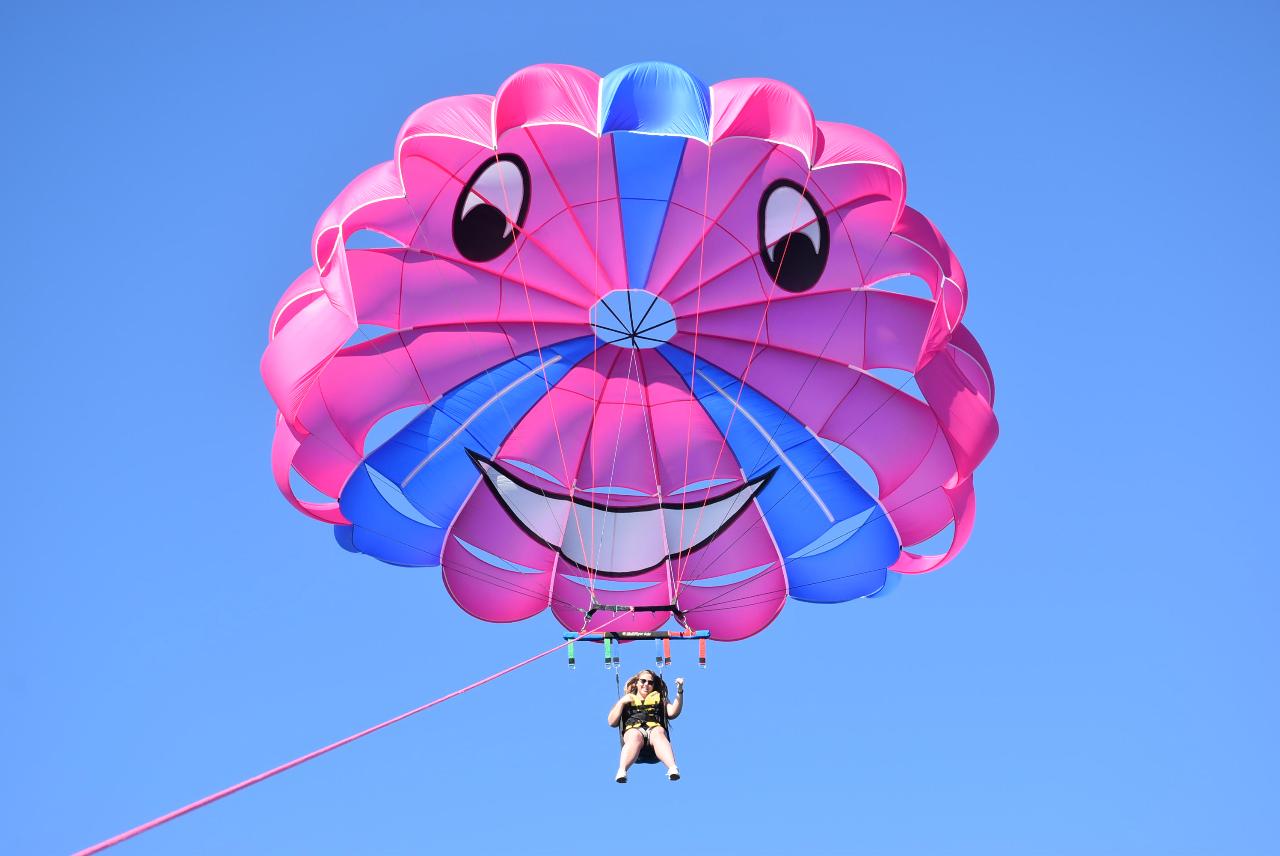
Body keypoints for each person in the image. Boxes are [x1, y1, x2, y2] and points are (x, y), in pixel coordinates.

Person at [607, 670, 683, 783]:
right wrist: (621, 703)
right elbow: (612, 722)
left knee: (658, 732)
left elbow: (672, 713)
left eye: (650, 682)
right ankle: (622, 770)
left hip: (654, 738)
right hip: (634, 733)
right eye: (643, 681)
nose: (646, 684)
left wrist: (680, 691)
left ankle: (672, 768)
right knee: (635, 735)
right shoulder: (627, 700)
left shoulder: (660, 699)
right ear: (636, 683)